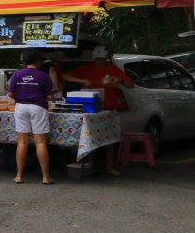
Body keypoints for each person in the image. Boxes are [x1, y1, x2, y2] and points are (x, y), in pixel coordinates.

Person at [62, 45, 134, 175]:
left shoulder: (113, 69)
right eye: (96, 59)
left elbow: (131, 85)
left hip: (109, 109)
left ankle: (109, 167)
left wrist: (119, 80)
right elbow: (65, 76)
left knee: (110, 140)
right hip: (90, 110)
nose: (98, 62)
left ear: (106, 58)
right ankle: (86, 164)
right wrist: (82, 80)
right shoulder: (87, 68)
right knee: (87, 138)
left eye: (101, 59)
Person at [8, 49, 56, 185]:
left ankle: (18, 176)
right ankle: (46, 177)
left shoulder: (17, 74)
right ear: (38, 61)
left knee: (22, 142)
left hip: (21, 107)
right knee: (40, 142)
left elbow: (11, 94)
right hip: (38, 107)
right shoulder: (43, 75)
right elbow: (50, 96)